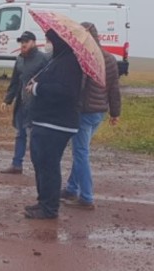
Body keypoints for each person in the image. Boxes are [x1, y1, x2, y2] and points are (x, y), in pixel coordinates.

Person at [61, 22, 121, 210]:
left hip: (84, 112)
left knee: (81, 153)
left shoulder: (84, 58)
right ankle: (72, 188)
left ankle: (86, 197)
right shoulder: (110, 59)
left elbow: (77, 87)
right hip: (99, 112)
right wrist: (115, 112)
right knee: (82, 150)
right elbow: (114, 88)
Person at [24, 29, 83, 219]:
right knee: (40, 163)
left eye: (49, 40)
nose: (47, 43)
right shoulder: (57, 60)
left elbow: (65, 92)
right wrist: (37, 81)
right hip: (44, 121)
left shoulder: (70, 62)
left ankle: (49, 208)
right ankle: (43, 201)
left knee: (48, 166)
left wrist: (37, 88)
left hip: (56, 124)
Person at [0, 31, 49, 174]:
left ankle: (40, 165)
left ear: (33, 42)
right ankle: (16, 164)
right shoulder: (20, 59)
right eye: (21, 42)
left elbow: (48, 80)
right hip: (22, 103)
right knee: (20, 134)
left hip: (37, 104)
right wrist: (7, 99)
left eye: (26, 42)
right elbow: (15, 81)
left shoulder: (43, 59)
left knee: (36, 136)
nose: (23, 45)